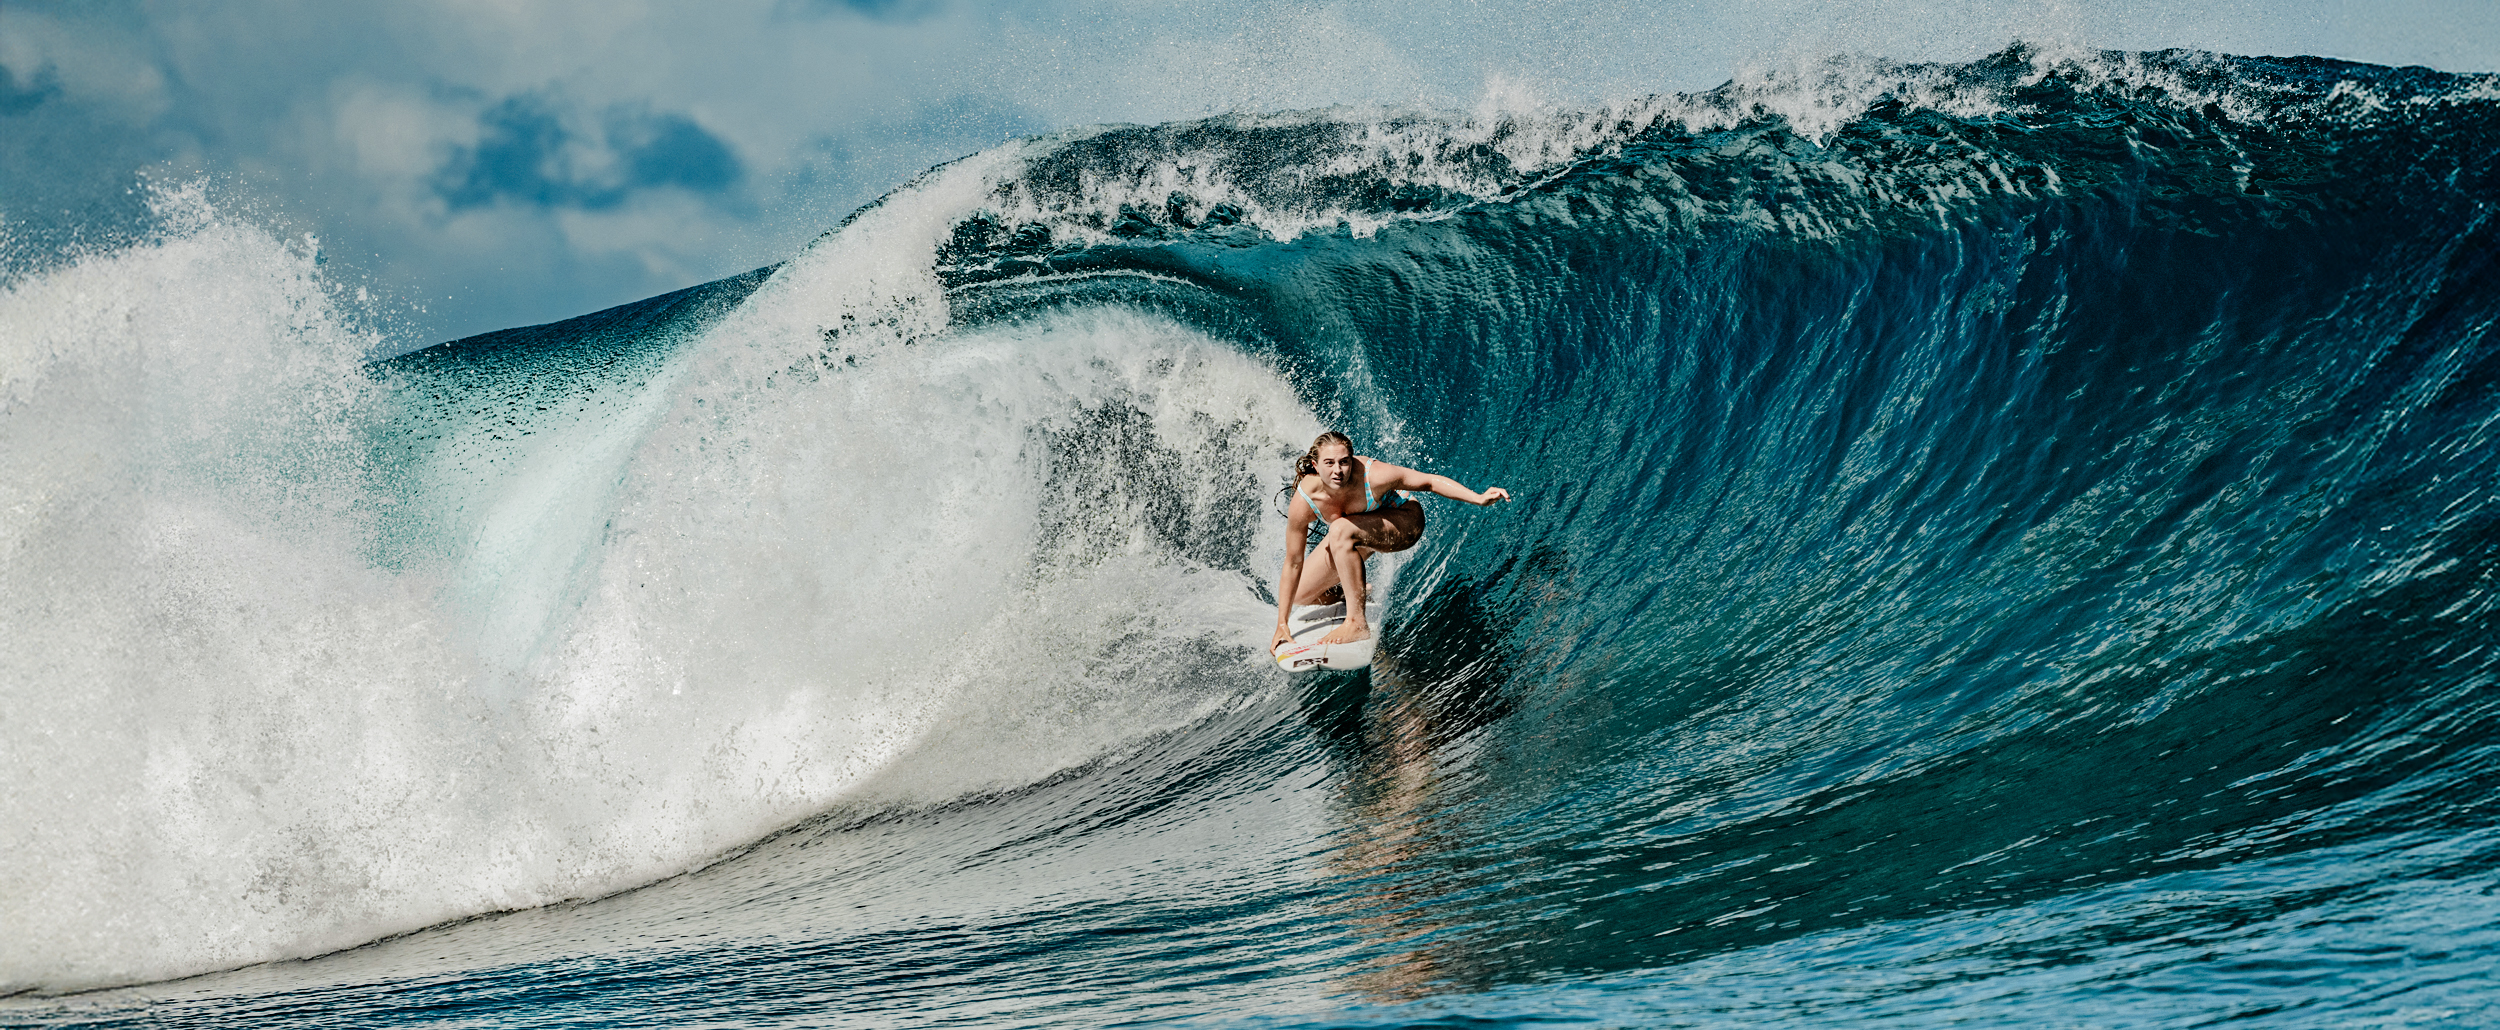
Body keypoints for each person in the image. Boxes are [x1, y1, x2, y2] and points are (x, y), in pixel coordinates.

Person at [1273, 431, 1510, 650]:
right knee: (1301, 594)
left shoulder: (1373, 474)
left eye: (1344, 461)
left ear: (1352, 460)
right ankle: (1352, 590)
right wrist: (1281, 623)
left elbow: (1429, 482)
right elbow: (1293, 561)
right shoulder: (1305, 500)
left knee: (1339, 530)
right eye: (1329, 463)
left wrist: (1478, 498)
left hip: (1404, 523)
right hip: (1358, 533)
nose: (1338, 470)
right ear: (1315, 465)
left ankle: (1356, 623)